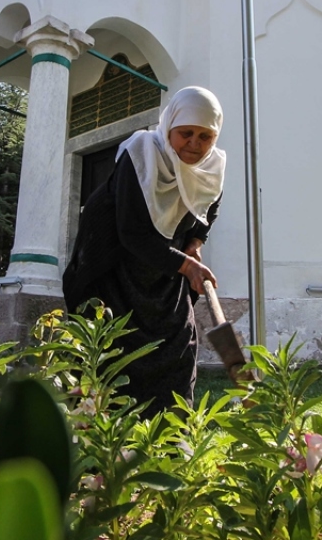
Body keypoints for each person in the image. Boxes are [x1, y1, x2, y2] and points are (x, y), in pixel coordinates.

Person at [62, 86, 225, 415]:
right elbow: (132, 233)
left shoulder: (212, 168)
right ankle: (106, 448)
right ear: (169, 128)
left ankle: (170, 442)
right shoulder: (141, 154)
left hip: (164, 274)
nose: (195, 144)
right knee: (112, 354)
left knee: (178, 347)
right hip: (113, 271)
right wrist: (188, 267)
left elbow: (207, 213)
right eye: (186, 134)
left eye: (205, 136)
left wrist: (194, 244)